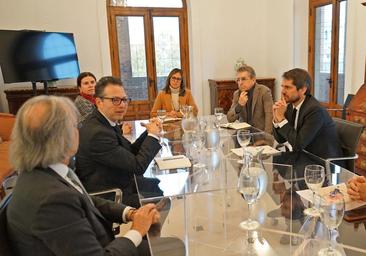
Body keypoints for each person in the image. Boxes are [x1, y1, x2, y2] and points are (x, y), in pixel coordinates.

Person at [6, 95, 160, 255]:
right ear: (62, 137)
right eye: (75, 125)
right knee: (167, 248)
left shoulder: (42, 172)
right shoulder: (51, 200)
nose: (79, 130)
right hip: (104, 247)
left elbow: (84, 199)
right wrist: (136, 231)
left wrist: (129, 213)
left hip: (99, 242)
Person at [76, 76, 163, 208]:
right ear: (99, 102)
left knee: (157, 185)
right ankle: (145, 227)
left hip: (117, 179)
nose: (122, 105)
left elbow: (129, 151)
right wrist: (153, 136)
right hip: (108, 194)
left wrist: (148, 132)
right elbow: (137, 167)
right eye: (115, 100)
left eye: (124, 100)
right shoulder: (97, 133)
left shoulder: (105, 121)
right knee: (161, 197)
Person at [272, 68, 342, 176]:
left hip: (322, 165)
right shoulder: (290, 106)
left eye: (288, 87)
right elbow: (280, 139)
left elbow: (298, 144)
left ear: (303, 89)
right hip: (303, 158)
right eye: (282, 86)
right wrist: (276, 118)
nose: (283, 91)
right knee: (273, 164)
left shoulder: (314, 110)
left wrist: (281, 119)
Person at [227, 65, 273, 134]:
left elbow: (269, 117)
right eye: (238, 80)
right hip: (243, 134)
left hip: (260, 134)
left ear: (253, 79)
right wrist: (239, 105)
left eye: (243, 79)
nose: (240, 83)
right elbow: (230, 119)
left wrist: (266, 137)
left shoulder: (264, 91)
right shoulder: (237, 94)